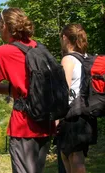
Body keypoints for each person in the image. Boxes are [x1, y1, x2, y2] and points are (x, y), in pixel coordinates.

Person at [0, 7, 53, 173]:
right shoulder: (39, 48)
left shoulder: (3, 52)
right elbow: (23, 88)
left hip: (24, 124)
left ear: (4, 26)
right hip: (46, 122)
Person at [58, 23, 97, 173]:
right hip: (87, 113)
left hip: (72, 115)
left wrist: (56, 119)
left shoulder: (68, 59)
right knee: (70, 155)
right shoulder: (86, 58)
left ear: (65, 38)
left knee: (74, 158)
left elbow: (63, 91)